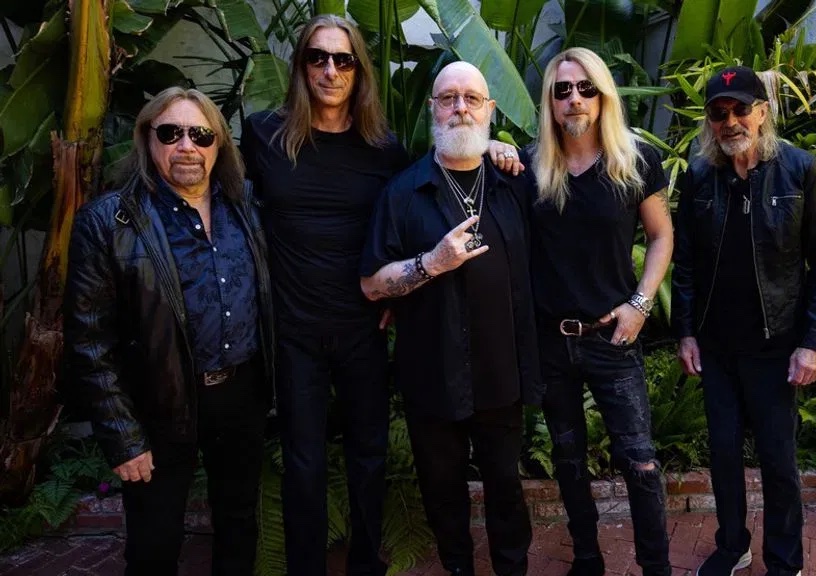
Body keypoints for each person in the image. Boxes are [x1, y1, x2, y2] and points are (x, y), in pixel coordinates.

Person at [240, 17, 522, 575]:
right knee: (303, 462)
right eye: (317, 58)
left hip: (365, 327)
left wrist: (491, 145)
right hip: (295, 330)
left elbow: (430, 182)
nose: (330, 70)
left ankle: (365, 564)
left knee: (368, 457)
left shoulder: (381, 147)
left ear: (358, 71)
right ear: (301, 67)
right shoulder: (264, 136)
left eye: (343, 60)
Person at [64, 87, 273, 576]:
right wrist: (123, 437)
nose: (186, 146)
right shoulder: (109, 222)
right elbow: (89, 341)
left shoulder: (244, 205)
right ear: (147, 139)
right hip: (159, 402)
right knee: (154, 542)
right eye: (171, 133)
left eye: (200, 134)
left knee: (239, 524)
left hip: (240, 395)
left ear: (218, 143)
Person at [360, 61, 540, 576]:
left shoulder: (514, 183)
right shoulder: (403, 192)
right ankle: (458, 566)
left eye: (471, 98)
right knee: (441, 490)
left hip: (501, 371)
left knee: (506, 487)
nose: (460, 108)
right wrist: (431, 263)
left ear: (490, 110)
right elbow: (372, 283)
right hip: (431, 373)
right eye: (448, 98)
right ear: (432, 109)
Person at [671, 66, 816, 576]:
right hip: (717, 345)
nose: (730, 122)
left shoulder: (802, 170)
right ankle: (732, 546)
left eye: (740, 109)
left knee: (778, 460)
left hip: (776, 343)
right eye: (718, 113)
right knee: (723, 454)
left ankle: (785, 561)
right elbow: (686, 264)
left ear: (762, 112)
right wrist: (685, 332)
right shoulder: (700, 176)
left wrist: (812, 342)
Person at [527, 47, 674, 576]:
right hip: (551, 339)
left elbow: (661, 236)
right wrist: (494, 147)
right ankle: (587, 560)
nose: (575, 98)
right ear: (550, 101)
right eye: (563, 89)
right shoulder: (530, 166)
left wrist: (640, 304)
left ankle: (656, 566)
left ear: (603, 95)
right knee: (567, 459)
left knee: (640, 460)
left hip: (613, 335)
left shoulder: (634, 161)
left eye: (586, 87)